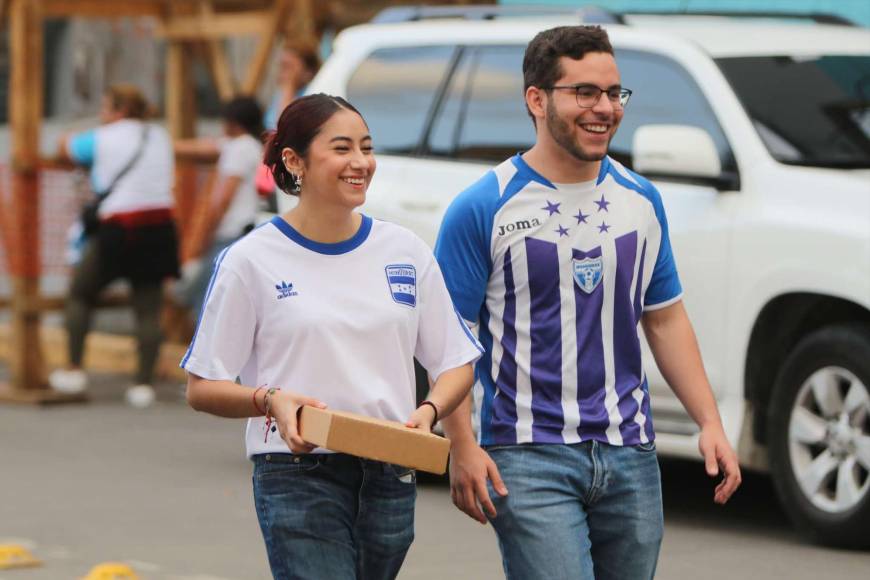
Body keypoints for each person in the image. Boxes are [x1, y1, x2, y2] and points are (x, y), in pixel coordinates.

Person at [434, 25, 742, 580]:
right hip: (527, 456)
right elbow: (450, 338)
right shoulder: (484, 206)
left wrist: (710, 422)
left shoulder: (641, 200)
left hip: (632, 453)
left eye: (613, 93)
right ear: (536, 99)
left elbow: (665, 317)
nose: (605, 108)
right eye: (585, 93)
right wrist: (461, 444)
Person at [181, 93, 483, 580]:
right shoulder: (250, 260)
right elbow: (201, 387)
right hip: (297, 473)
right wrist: (268, 398)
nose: (361, 162)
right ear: (294, 161)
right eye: (342, 148)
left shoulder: (402, 249)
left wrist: (429, 413)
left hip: (391, 469)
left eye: (367, 147)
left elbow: (456, 361)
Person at [50, 84, 178, 403]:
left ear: (119, 110)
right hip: (160, 227)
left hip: (119, 227)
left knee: (80, 292)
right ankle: (143, 385)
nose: (103, 115)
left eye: (106, 108)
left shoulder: (103, 137)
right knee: (148, 308)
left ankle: (74, 369)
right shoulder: (159, 136)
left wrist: (78, 133)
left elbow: (65, 148)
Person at [173, 96, 265, 315]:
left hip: (231, 231)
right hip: (241, 230)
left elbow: (224, 199)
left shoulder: (240, 148)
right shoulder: (246, 146)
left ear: (232, 122)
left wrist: (205, 233)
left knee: (204, 295)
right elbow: (203, 148)